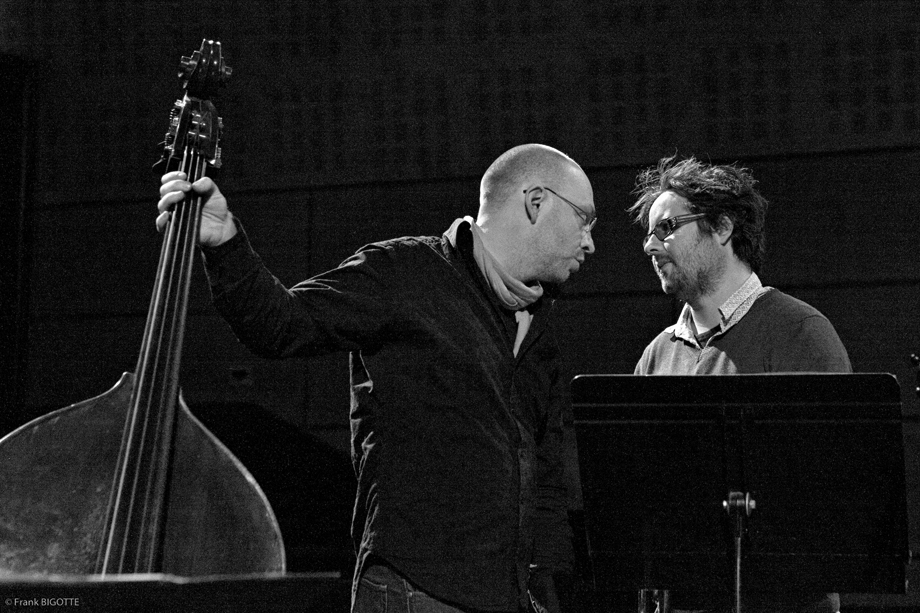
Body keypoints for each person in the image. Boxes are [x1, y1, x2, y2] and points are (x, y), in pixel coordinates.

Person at [157, 144, 597, 613]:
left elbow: (546, 482)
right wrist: (224, 242)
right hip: (415, 592)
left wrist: (548, 591)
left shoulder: (538, 330)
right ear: (536, 201)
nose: (590, 243)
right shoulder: (405, 272)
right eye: (584, 220)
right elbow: (280, 323)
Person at [629, 155, 851, 613]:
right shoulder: (656, 355)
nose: (650, 246)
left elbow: (827, 505)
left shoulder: (800, 333)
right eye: (649, 233)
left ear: (723, 227)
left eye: (666, 228)